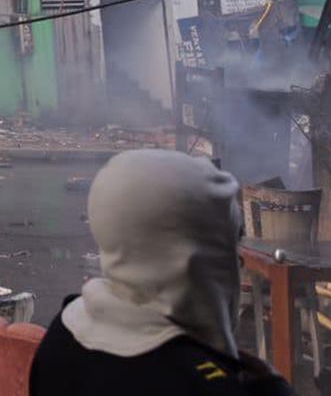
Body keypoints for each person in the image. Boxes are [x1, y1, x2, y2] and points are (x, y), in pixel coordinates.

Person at [29, 148, 292, 394]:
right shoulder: (207, 383)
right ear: (191, 259)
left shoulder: (65, 333)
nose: (239, 264)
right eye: (229, 246)